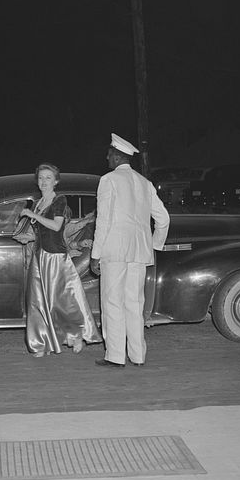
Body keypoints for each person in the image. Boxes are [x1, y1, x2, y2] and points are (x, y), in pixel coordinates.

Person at [90, 134, 170, 368]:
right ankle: (138, 355)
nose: (106, 158)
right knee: (134, 303)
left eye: (108, 154)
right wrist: (154, 245)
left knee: (113, 302)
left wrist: (96, 254)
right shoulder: (144, 183)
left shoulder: (109, 180)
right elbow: (163, 218)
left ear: (116, 156)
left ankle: (115, 355)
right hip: (139, 251)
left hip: (114, 250)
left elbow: (103, 221)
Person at [17, 163, 103, 357]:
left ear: (55, 181)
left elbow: (56, 227)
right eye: (40, 178)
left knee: (63, 300)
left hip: (56, 257)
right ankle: (42, 342)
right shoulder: (38, 202)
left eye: (48, 178)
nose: (43, 181)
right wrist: (29, 236)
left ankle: (76, 336)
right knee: (38, 301)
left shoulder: (59, 201)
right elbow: (41, 230)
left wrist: (31, 215)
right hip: (40, 257)